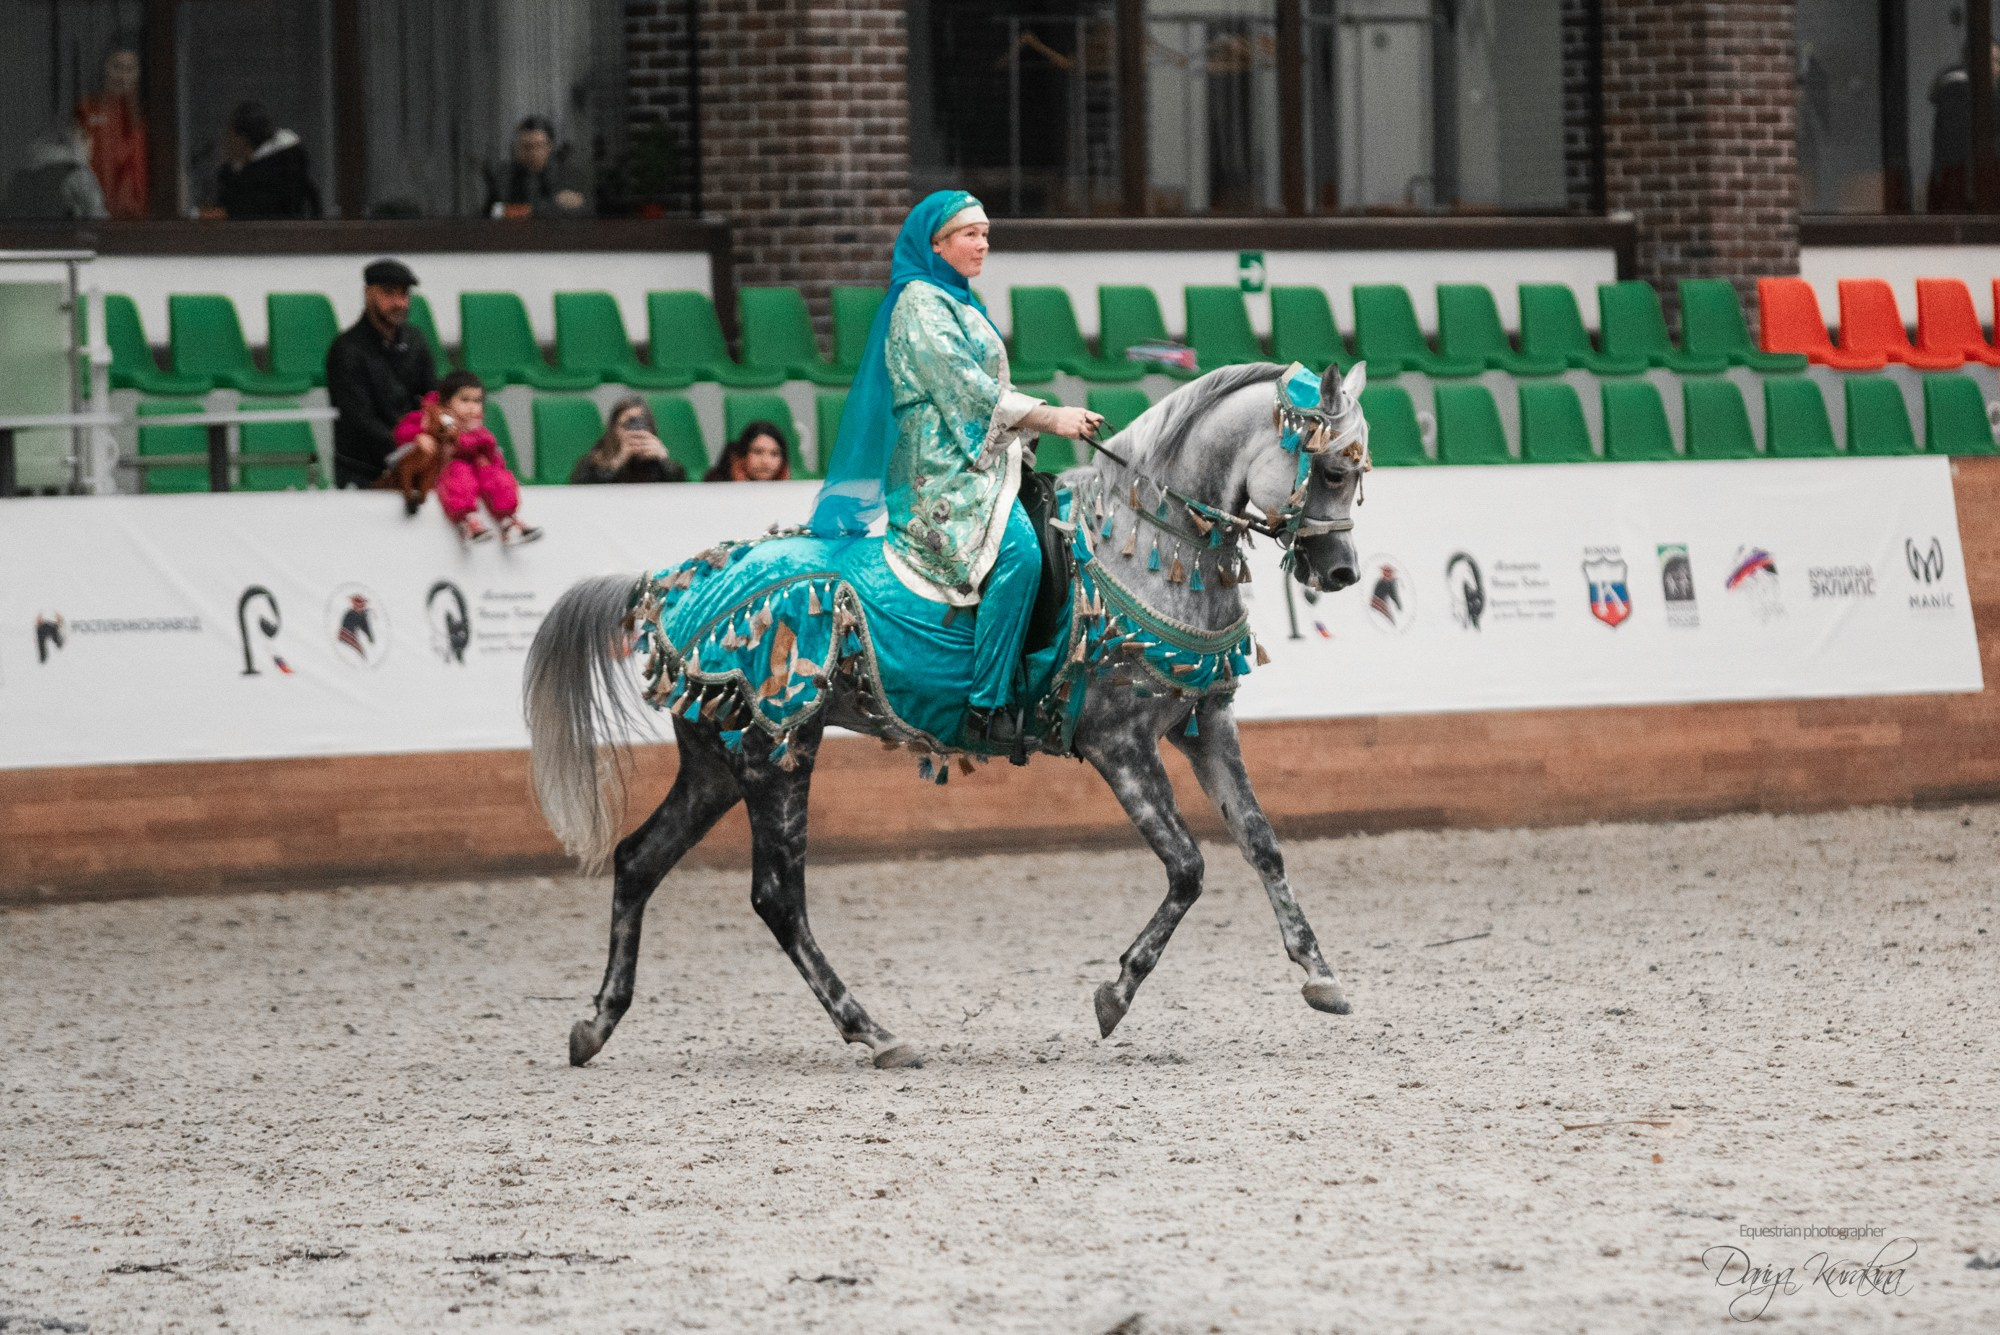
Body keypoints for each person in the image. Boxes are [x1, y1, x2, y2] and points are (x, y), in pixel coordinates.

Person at [806, 189, 1099, 729]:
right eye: (971, 234)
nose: (983, 244)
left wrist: (1037, 418)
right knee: (1020, 553)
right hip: (938, 473)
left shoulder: (961, 300)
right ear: (936, 245)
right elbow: (966, 391)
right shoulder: (919, 300)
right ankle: (986, 704)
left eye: (986, 233)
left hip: (974, 462)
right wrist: (1049, 417)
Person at [393, 371, 541, 544]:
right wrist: (419, 436)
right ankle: (468, 522)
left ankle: (509, 521)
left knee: (496, 475)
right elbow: (401, 432)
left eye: (476, 401)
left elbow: (495, 458)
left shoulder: (478, 429)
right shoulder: (430, 417)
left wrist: (487, 454)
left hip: (475, 471)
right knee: (460, 473)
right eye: (464, 400)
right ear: (446, 402)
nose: (472, 407)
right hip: (444, 471)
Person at [326, 259, 437, 488]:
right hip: (363, 471)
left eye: (404, 294)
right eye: (388, 293)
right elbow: (359, 419)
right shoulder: (346, 350)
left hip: (413, 460)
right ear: (368, 293)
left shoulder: (416, 340)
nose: (399, 302)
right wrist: (409, 443)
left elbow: (431, 395)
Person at [75, 45, 146, 219]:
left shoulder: (148, 118)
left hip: (142, 220)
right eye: (117, 67)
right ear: (105, 69)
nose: (123, 76)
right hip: (97, 216)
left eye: (130, 69)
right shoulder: (87, 110)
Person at [1928, 41, 2000, 212]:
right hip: (1963, 190)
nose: (1997, 68)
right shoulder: (1959, 95)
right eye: (1993, 61)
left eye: (1999, 61)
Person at [217, 101, 321, 219]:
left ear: (242, 139)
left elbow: (234, 213)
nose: (227, 141)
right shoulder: (293, 167)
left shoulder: (249, 183)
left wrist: (231, 172)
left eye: (230, 135)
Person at [1, 122, 107, 220]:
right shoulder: (77, 175)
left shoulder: (20, 177)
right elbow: (97, 216)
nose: (91, 149)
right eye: (87, 140)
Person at [485, 116, 587, 217]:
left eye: (539, 145)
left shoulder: (567, 174)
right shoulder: (504, 175)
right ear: (516, 148)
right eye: (527, 147)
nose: (534, 153)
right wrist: (535, 210)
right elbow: (492, 212)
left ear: (549, 147)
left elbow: (584, 210)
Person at [569, 396, 687, 483]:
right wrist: (616, 463)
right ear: (614, 429)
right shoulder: (595, 460)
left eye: (642, 424)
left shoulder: (656, 463)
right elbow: (582, 490)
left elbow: (679, 490)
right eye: (627, 425)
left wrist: (665, 462)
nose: (635, 432)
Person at [704, 420, 791, 482]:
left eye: (774, 454)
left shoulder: (790, 492)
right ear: (742, 455)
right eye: (757, 452)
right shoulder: (716, 487)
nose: (766, 461)